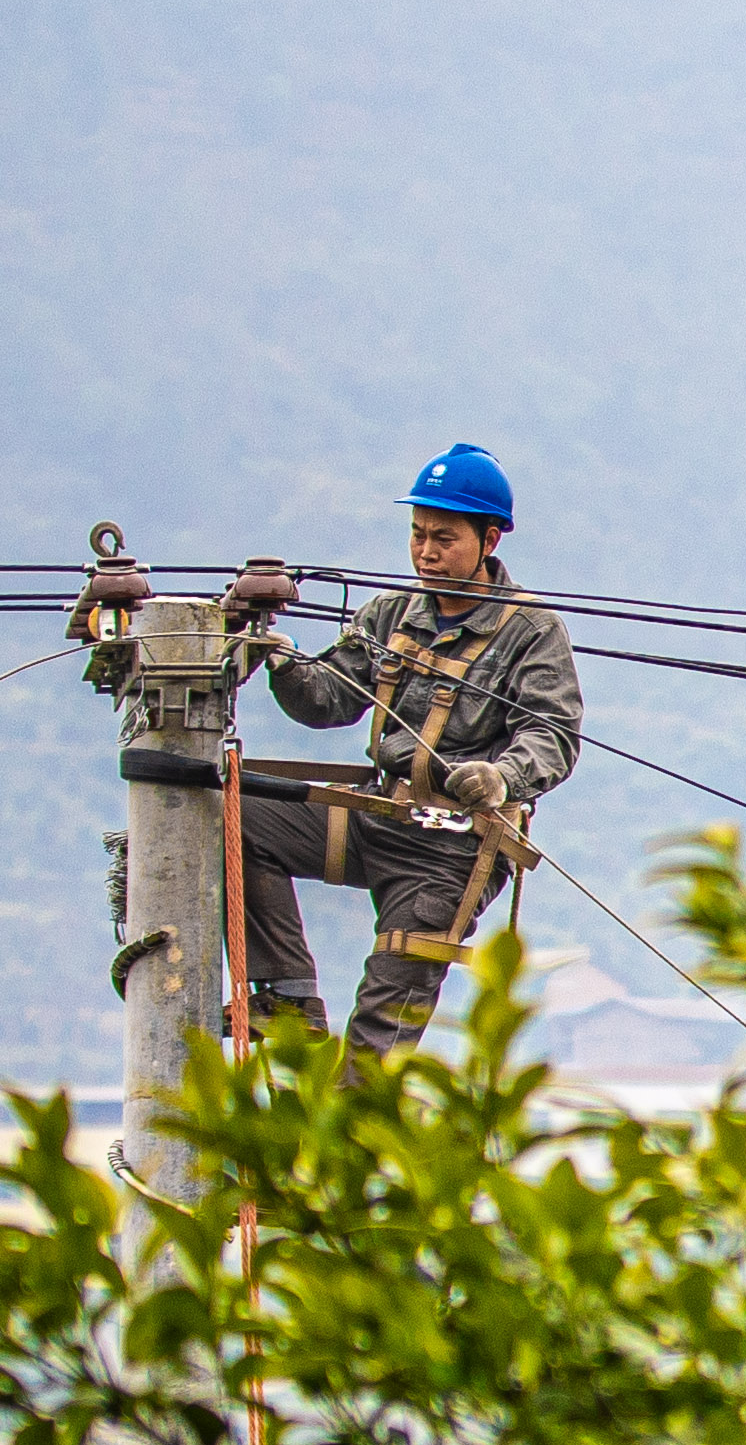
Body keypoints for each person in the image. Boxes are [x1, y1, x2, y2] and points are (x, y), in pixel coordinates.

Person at [241, 443, 585, 1047]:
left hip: (450, 852)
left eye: (445, 538)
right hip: (379, 816)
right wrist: (283, 665)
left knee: (381, 1030)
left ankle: (353, 1132)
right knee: (234, 821)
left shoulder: (531, 632)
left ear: (490, 541)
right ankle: (286, 1000)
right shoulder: (389, 614)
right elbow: (329, 700)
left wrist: (501, 778)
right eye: (418, 534)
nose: (427, 551)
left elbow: (552, 736)